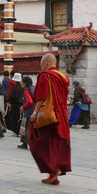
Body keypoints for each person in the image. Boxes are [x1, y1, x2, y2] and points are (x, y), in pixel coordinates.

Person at [29, 53, 71, 185]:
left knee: (37, 143)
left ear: (46, 63)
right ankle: (55, 173)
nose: (41, 67)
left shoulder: (45, 75)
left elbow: (41, 96)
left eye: (41, 64)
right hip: (61, 116)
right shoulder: (63, 77)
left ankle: (53, 170)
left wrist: (35, 113)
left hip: (48, 116)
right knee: (56, 143)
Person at [18, 76, 35, 149]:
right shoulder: (34, 88)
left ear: (25, 83)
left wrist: (23, 107)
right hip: (34, 110)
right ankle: (25, 143)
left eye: (22, 81)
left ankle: (28, 143)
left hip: (28, 111)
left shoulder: (26, 90)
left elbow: (29, 101)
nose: (21, 82)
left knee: (27, 128)